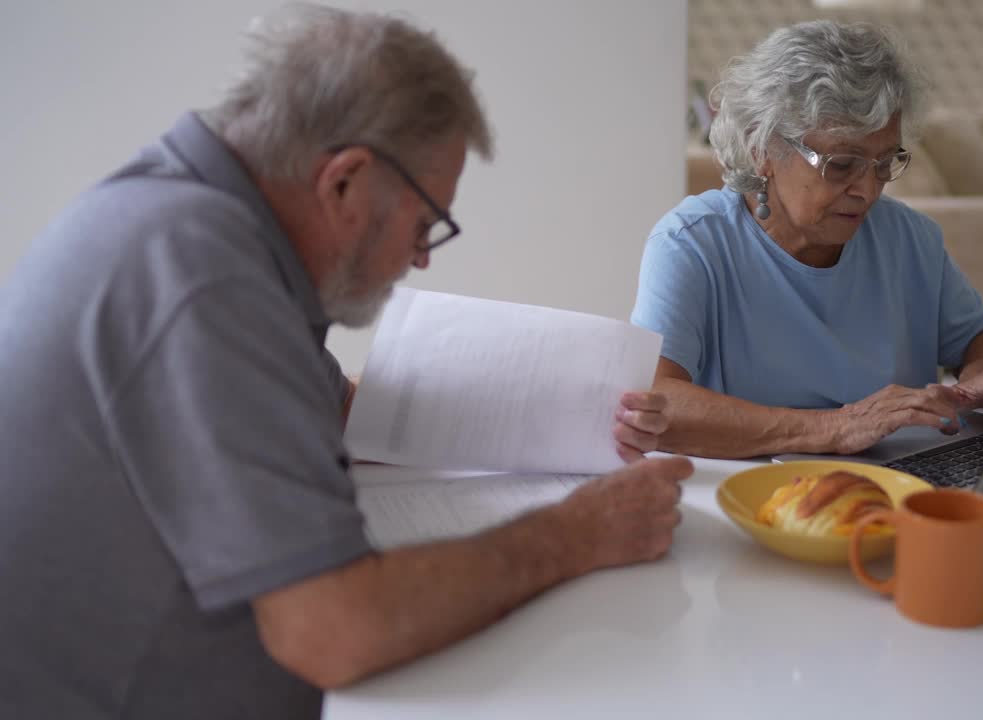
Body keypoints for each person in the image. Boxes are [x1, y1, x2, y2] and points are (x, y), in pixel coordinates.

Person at [0, 6, 690, 719]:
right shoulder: (202, 275)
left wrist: (582, 413)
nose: (421, 257)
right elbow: (335, 630)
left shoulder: (194, 222)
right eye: (427, 225)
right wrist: (578, 532)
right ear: (345, 182)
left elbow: (342, 409)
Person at [631, 20, 983, 460]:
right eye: (842, 163)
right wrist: (836, 428)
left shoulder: (910, 237)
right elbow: (654, 402)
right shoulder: (692, 244)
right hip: (756, 495)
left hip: (901, 484)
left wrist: (977, 383)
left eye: (885, 162)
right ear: (761, 148)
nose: (868, 190)